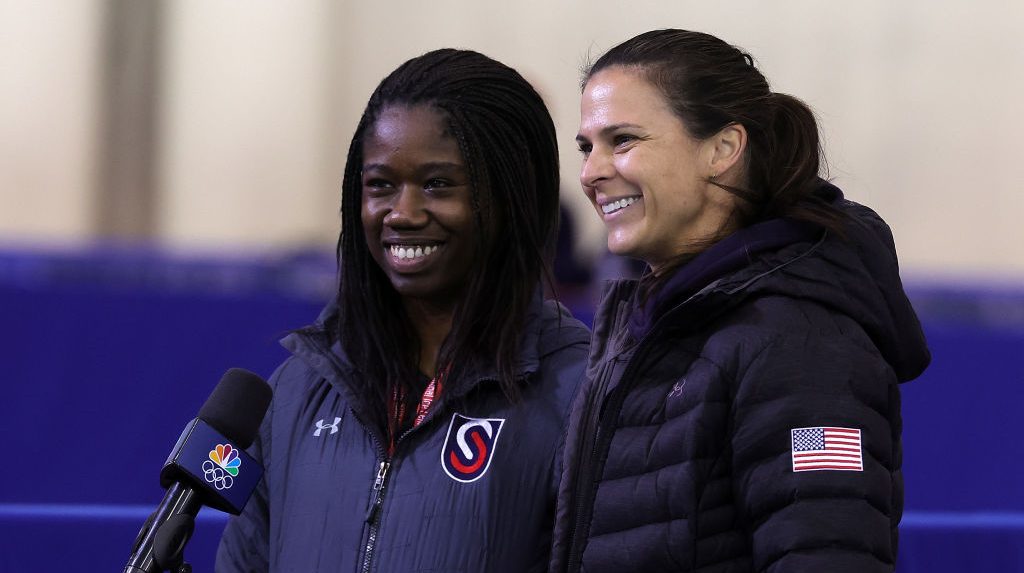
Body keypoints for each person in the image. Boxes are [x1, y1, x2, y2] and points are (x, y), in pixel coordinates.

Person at [549, 29, 930, 573]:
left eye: (624, 140)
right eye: (587, 147)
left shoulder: (801, 340)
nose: (591, 172)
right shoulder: (650, 327)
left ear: (724, 148)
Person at [216, 48, 590, 572]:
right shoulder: (296, 389)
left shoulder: (581, 392)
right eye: (381, 185)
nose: (404, 213)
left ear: (510, 199)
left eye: (438, 184)